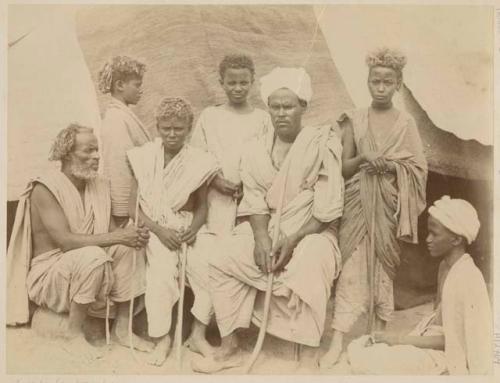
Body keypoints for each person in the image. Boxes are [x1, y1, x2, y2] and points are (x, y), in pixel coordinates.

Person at [192, 67, 344, 373]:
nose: (281, 114)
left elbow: (326, 211)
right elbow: (255, 202)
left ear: (303, 107)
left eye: (288, 106)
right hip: (269, 230)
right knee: (222, 257)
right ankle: (231, 345)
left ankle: (308, 353)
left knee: (314, 258)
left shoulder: (321, 144)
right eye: (275, 107)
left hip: (310, 232)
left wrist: (292, 240)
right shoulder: (256, 150)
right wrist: (261, 238)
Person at [6, 124, 153, 362]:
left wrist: (132, 235)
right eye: (88, 151)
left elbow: (109, 232)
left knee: (128, 249)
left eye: (97, 151)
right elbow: (65, 241)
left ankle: (122, 329)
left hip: (87, 262)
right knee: (93, 255)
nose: (96, 157)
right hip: (50, 274)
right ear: (66, 154)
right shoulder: (44, 188)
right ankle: (72, 335)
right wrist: (118, 236)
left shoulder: (99, 185)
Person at [320, 48, 428, 368]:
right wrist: (365, 159)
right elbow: (343, 167)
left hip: (387, 203)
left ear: (398, 84)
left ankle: (379, 334)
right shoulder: (354, 118)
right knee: (352, 266)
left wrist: (393, 168)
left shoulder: (406, 122)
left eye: (387, 82)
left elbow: (418, 167)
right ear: (367, 82)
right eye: (375, 81)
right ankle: (338, 338)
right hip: (357, 200)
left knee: (383, 267)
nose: (380, 87)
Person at [346, 196, 492, 375]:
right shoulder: (444, 267)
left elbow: (455, 342)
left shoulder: (468, 278)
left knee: (369, 360)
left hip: (447, 355)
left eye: (435, 234)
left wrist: (399, 340)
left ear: (456, 240)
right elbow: (437, 320)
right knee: (362, 349)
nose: (428, 240)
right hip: (430, 337)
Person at [127, 97, 219, 366]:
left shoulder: (198, 161)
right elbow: (134, 206)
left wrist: (193, 229)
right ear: (157, 126)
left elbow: (202, 205)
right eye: (166, 128)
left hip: (186, 224)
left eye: (178, 129)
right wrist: (159, 230)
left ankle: (198, 334)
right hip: (152, 225)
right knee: (161, 273)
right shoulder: (143, 157)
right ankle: (162, 338)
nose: (171, 134)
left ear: (189, 128)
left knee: (210, 268)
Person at [190, 54, 272, 234]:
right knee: (216, 239)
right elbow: (195, 157)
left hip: (252, 196)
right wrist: (215, 180)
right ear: (222, 83)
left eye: (243, 83)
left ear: (252, 82)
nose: (237, 88)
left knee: (246, 241)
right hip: (214, 196)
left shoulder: (263, 119)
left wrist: (248, 185)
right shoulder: (210, 116)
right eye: (231, 83)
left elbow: (267, 159)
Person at [98, 55, 151, 227]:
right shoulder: (115, 119)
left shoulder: (123, 115)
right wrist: (124, 213)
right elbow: (118, 167)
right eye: (137, 85)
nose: (140, 90)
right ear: (120, 85)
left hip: (140, 200)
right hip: (128, 208)